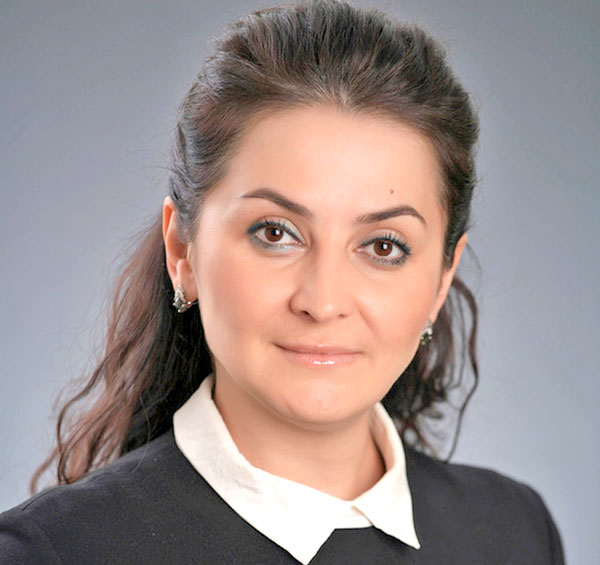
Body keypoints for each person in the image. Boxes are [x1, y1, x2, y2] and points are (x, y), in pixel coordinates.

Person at [0, 1, 564, 563]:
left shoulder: (516, 534)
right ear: (182, 251)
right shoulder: (51, 552)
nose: (323, 301)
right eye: (275, 233)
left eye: (383, 246)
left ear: (442, 278)